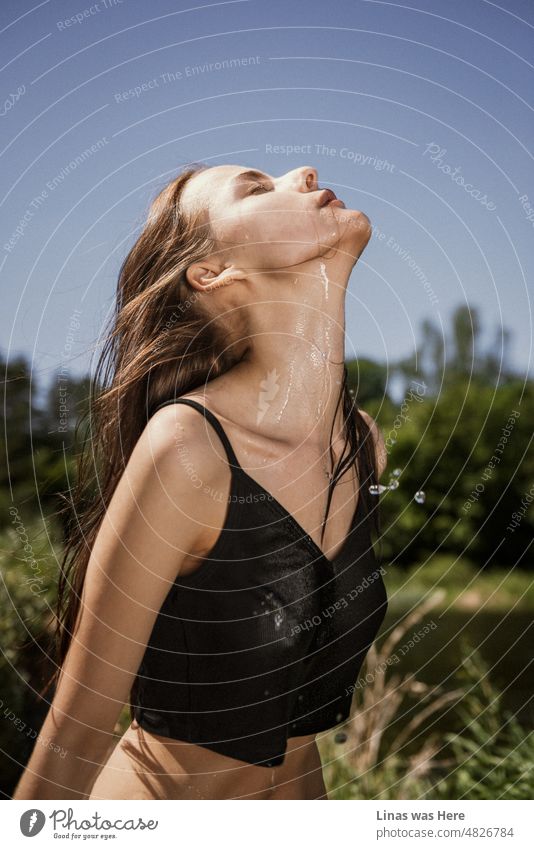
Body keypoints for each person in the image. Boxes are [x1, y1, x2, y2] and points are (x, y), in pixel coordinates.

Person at [13, 163, 388, 801]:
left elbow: (298, 746)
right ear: (212, 273)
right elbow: (76, 734)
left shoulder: (361, 445)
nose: (303, 172)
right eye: (255, 186)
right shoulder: (188, 450)